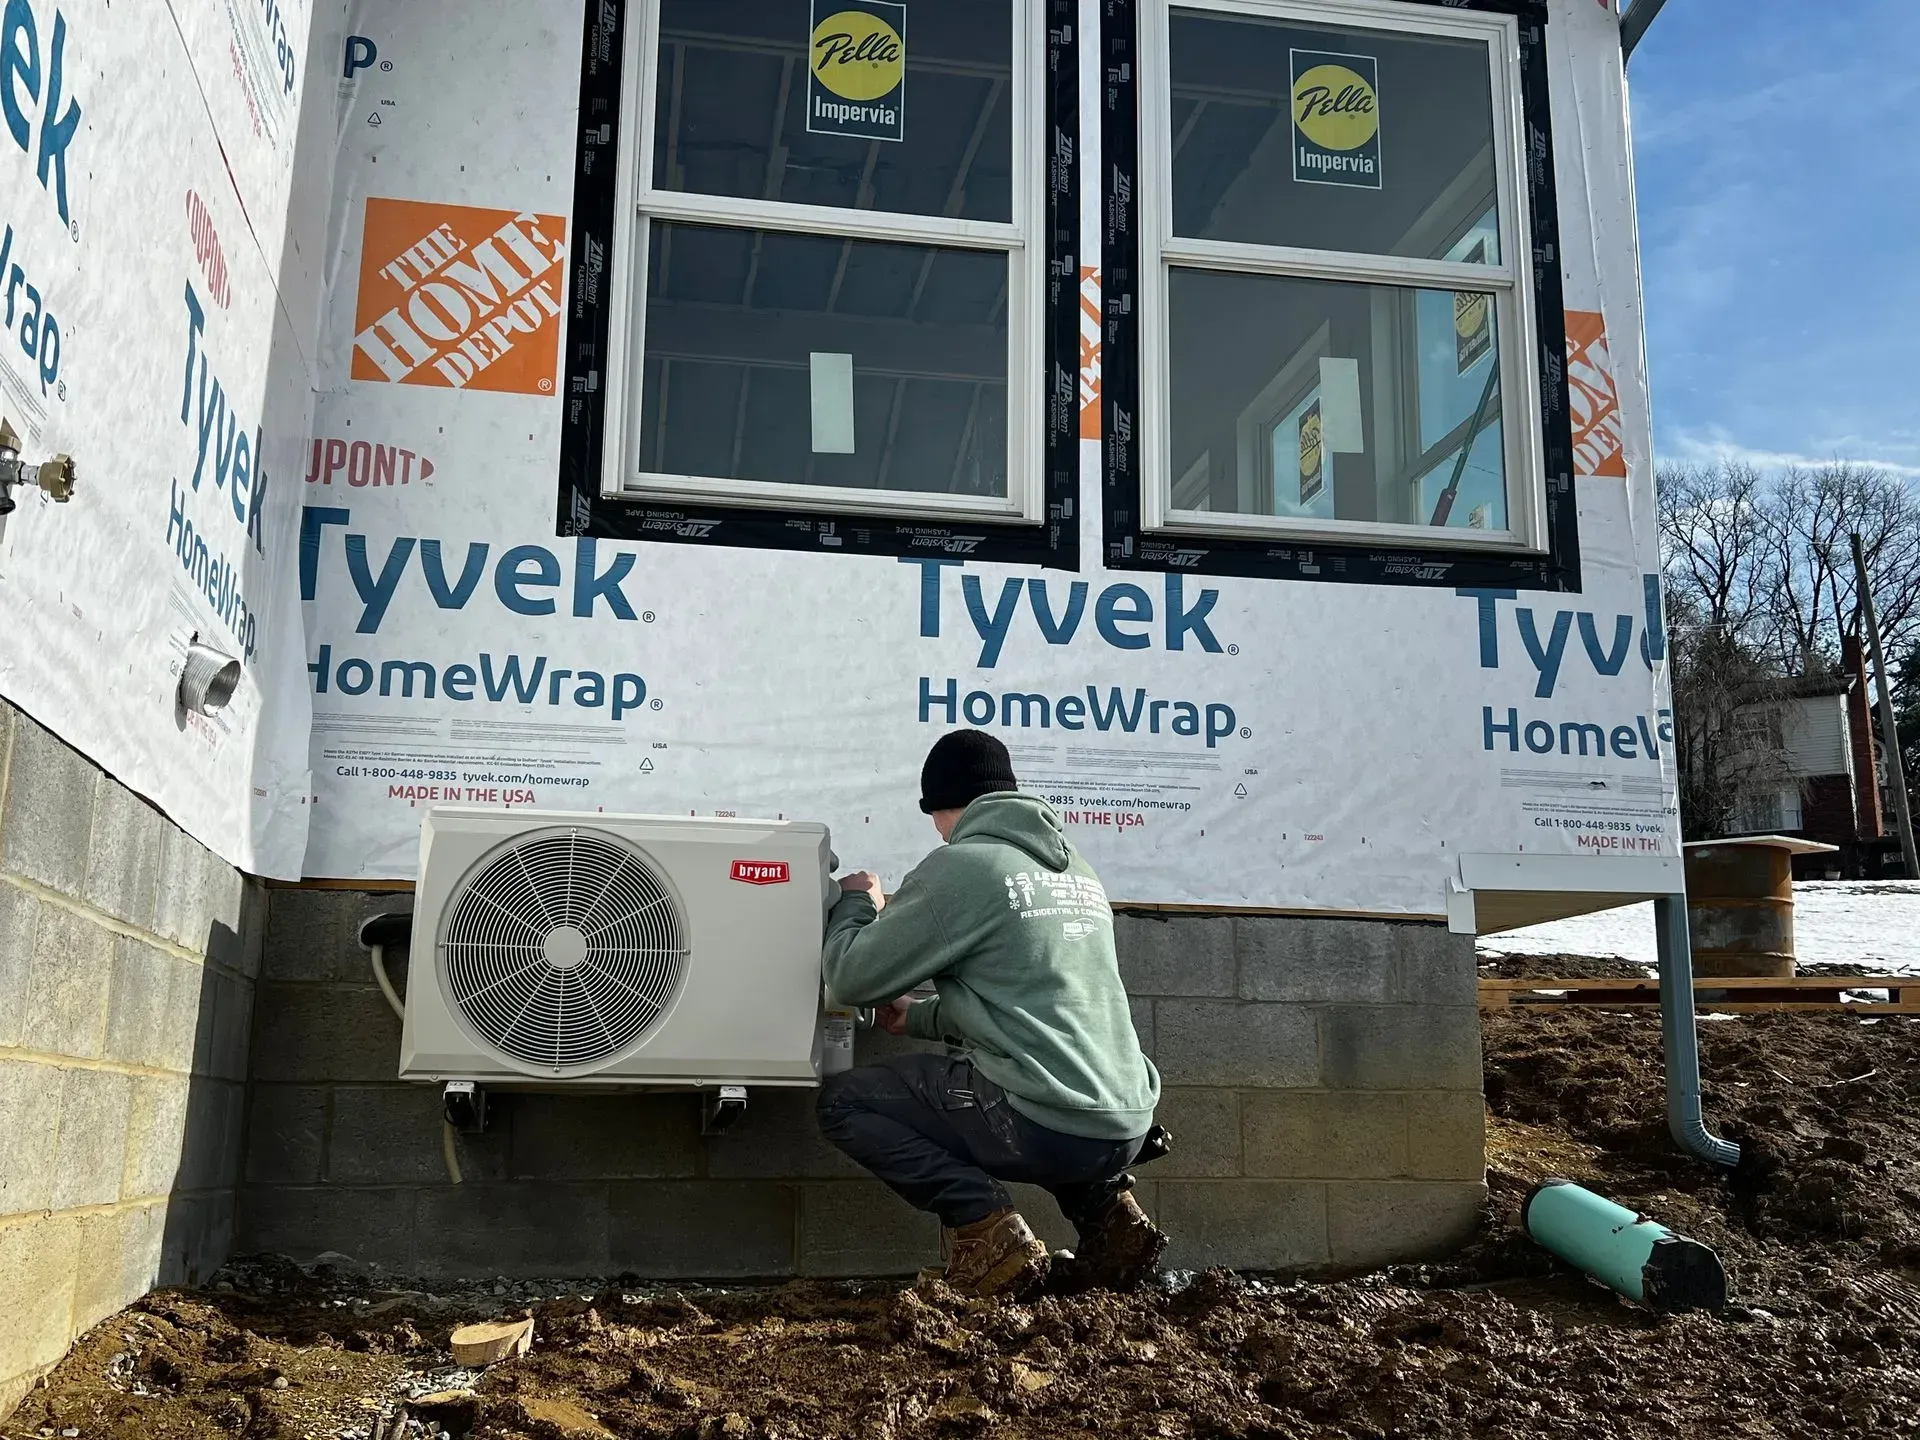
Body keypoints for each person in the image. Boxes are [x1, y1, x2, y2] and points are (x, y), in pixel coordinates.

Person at [817, 729, 1167, 1298]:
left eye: (933, 815)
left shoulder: (964, 866)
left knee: (845, 1102)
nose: (936, 829)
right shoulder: (1073, 869)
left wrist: (859, 901)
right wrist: (922, 1018)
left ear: (943, 805)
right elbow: (1028, 1005)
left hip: (1044, 1125)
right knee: (1046, 1086)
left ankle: (987, 1229)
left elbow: (852, 976)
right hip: (1124, 1125)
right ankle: (1109, 1216)